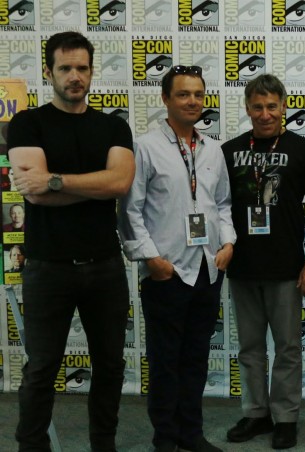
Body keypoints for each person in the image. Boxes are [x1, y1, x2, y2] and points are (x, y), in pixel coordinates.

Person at [7, 31, 135, 452]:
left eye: (82, 68)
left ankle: (103, 444)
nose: (75, 76)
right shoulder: (28, 123)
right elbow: (33, 193)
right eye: (65, 68)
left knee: (110, 366)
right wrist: (95, 185)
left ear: (92, 72)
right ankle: (31, 447)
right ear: (49, 72)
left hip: (105, 266)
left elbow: (120, 182)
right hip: (47, 267)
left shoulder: (113, 126)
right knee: (41, 369)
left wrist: (57, 180)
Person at [118, 65, 236, 452]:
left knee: (196, 358)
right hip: (166, 272)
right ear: (165, 98)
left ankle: (191, 433)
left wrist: (228, 244)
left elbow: (223, 204)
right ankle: (166, 438)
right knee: (165, 361)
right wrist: (151, 260)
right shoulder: (146, 147)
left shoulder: (213, 149)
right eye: (183, 94)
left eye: (198, 94)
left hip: (207, 268)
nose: (192, 101)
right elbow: (130, 210)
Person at [221, 74, 305, 449]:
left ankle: (285, 418)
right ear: (247, 108)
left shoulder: (303, 150)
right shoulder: (230, 151)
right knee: (250, 348)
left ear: (284, 106)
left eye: (271, 106)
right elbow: (218, 207)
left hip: (286, 267)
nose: (265, 114)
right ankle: (256, 414)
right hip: (242, 267)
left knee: (287, 348)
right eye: (257, 107)